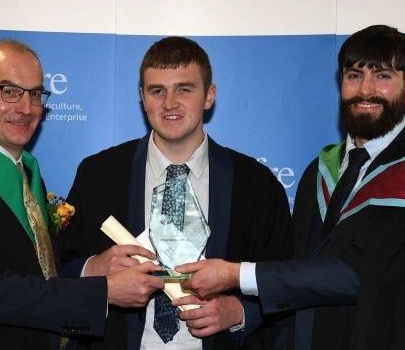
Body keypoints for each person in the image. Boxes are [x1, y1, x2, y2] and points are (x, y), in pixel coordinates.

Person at [176, 25, 405, 350]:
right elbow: (297, 277)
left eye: (383, 76)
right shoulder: (319, 171)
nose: (365, 90)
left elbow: (357, 275)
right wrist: (246, 314)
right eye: (354, 76)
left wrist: (235, 275)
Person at [0, 39, 164, 350]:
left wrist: (93, 268)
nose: (26, 108)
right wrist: (104, 292)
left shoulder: (28, 173)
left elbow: (38, 274)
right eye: (9, 91)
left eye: (35, 94)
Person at [59, 36, 292, 350]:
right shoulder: (98, 174)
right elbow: (59, 268)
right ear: (142, 97)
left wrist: (239, 311)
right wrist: (94, 269)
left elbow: (284, 281)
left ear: (209, 96)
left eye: (184, 89)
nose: (169, 103)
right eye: (157, 91)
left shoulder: (257, 185)